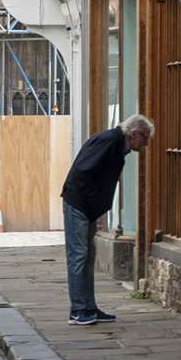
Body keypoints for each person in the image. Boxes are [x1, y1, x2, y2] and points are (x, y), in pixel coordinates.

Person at [61, 114, 155, 326]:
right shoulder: (110, 141)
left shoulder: (117, 144)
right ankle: (78, 310)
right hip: (79, 203)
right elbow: (83, 170)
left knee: (87, 255)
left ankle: (89, 306)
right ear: (134, 134)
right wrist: (91, 201)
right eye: (146, 138)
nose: (147, 144)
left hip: (86, 206)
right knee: (78, 255)